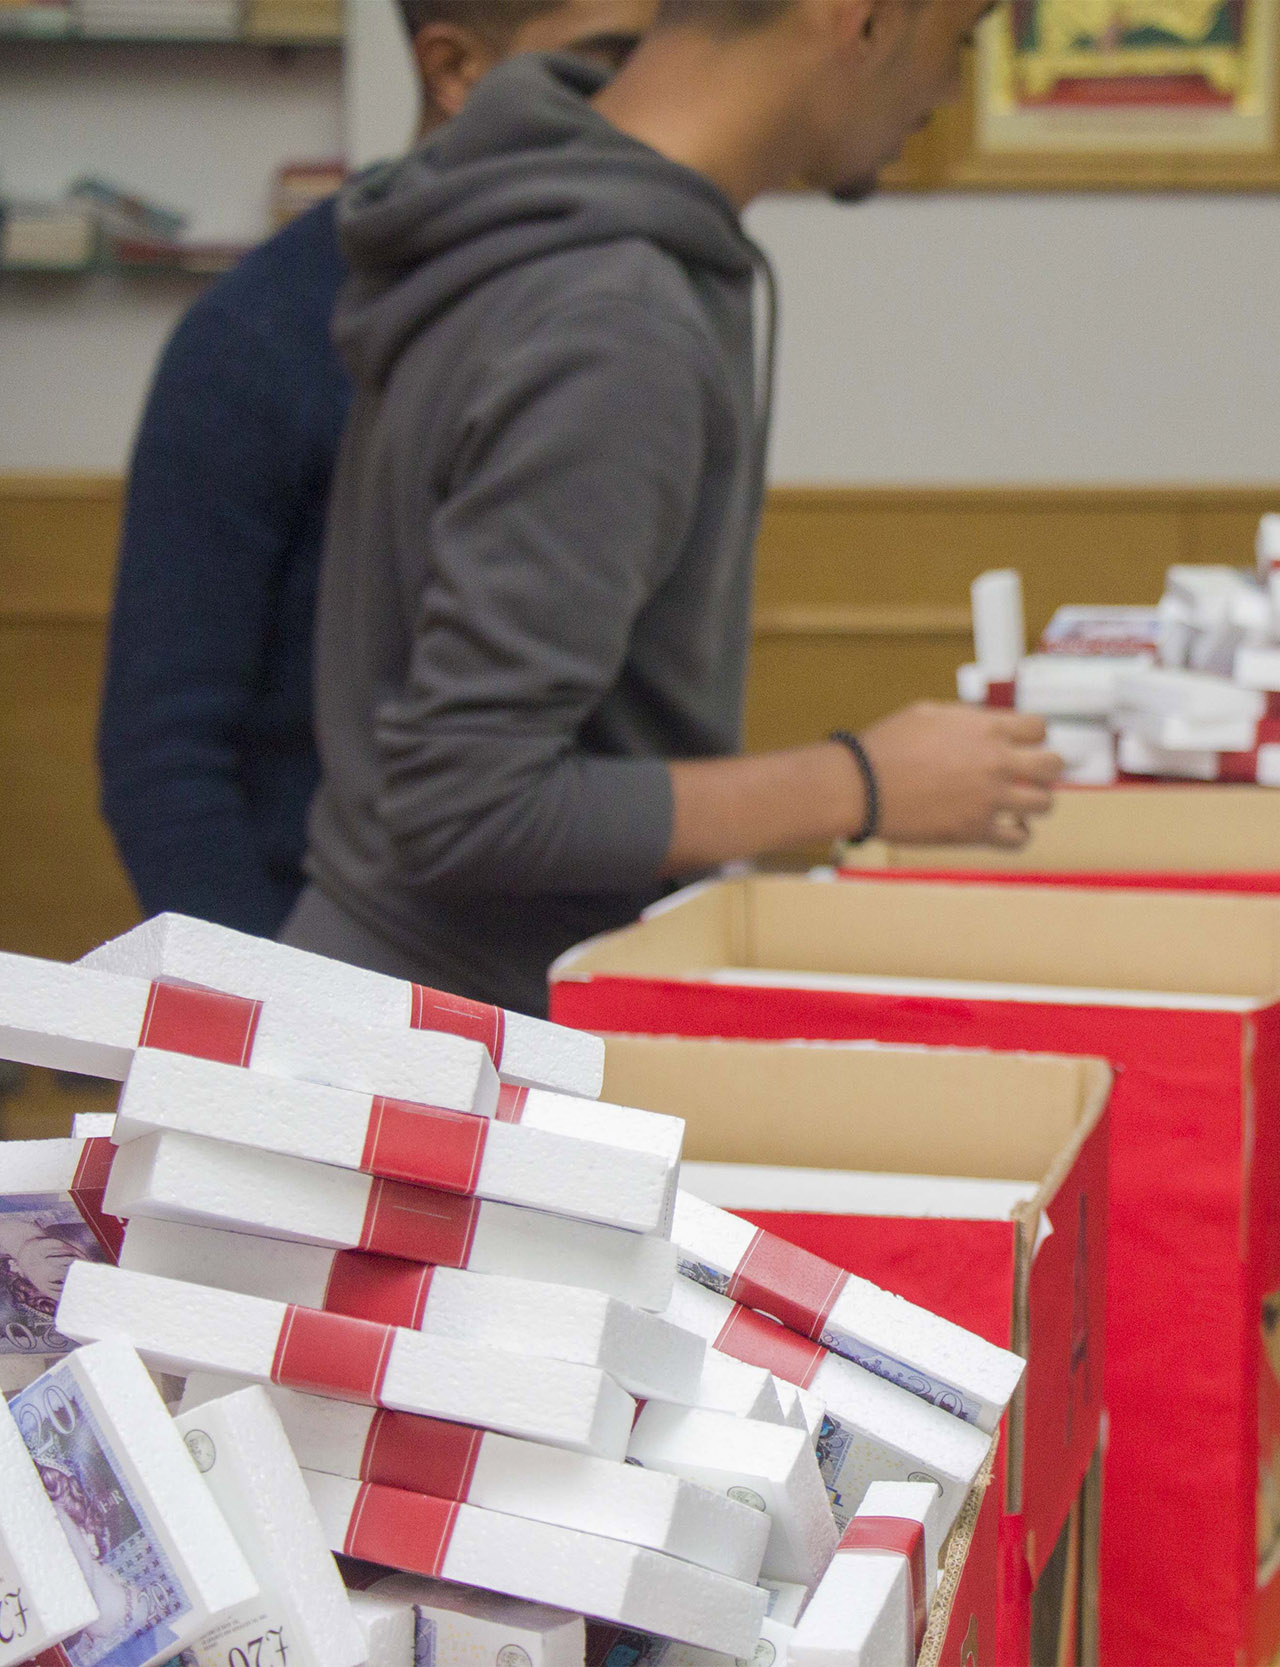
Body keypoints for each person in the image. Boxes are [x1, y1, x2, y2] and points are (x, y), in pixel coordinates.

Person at [285, 0, 1059, 1014]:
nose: (950, 89)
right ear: (861, 22)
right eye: (956, 43)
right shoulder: (616, 322)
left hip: (406, 996)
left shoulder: (542, 209)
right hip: (443, 1034)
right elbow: (464, 805)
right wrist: (860, 782)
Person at [98, 0, 657, 939]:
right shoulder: (256, 337)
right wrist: (271, 1006)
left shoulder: (617, 317)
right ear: (454, 69)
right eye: (611, 59)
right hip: (326, 955)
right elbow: (165, 757)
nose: (659, 95)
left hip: (563, 957)